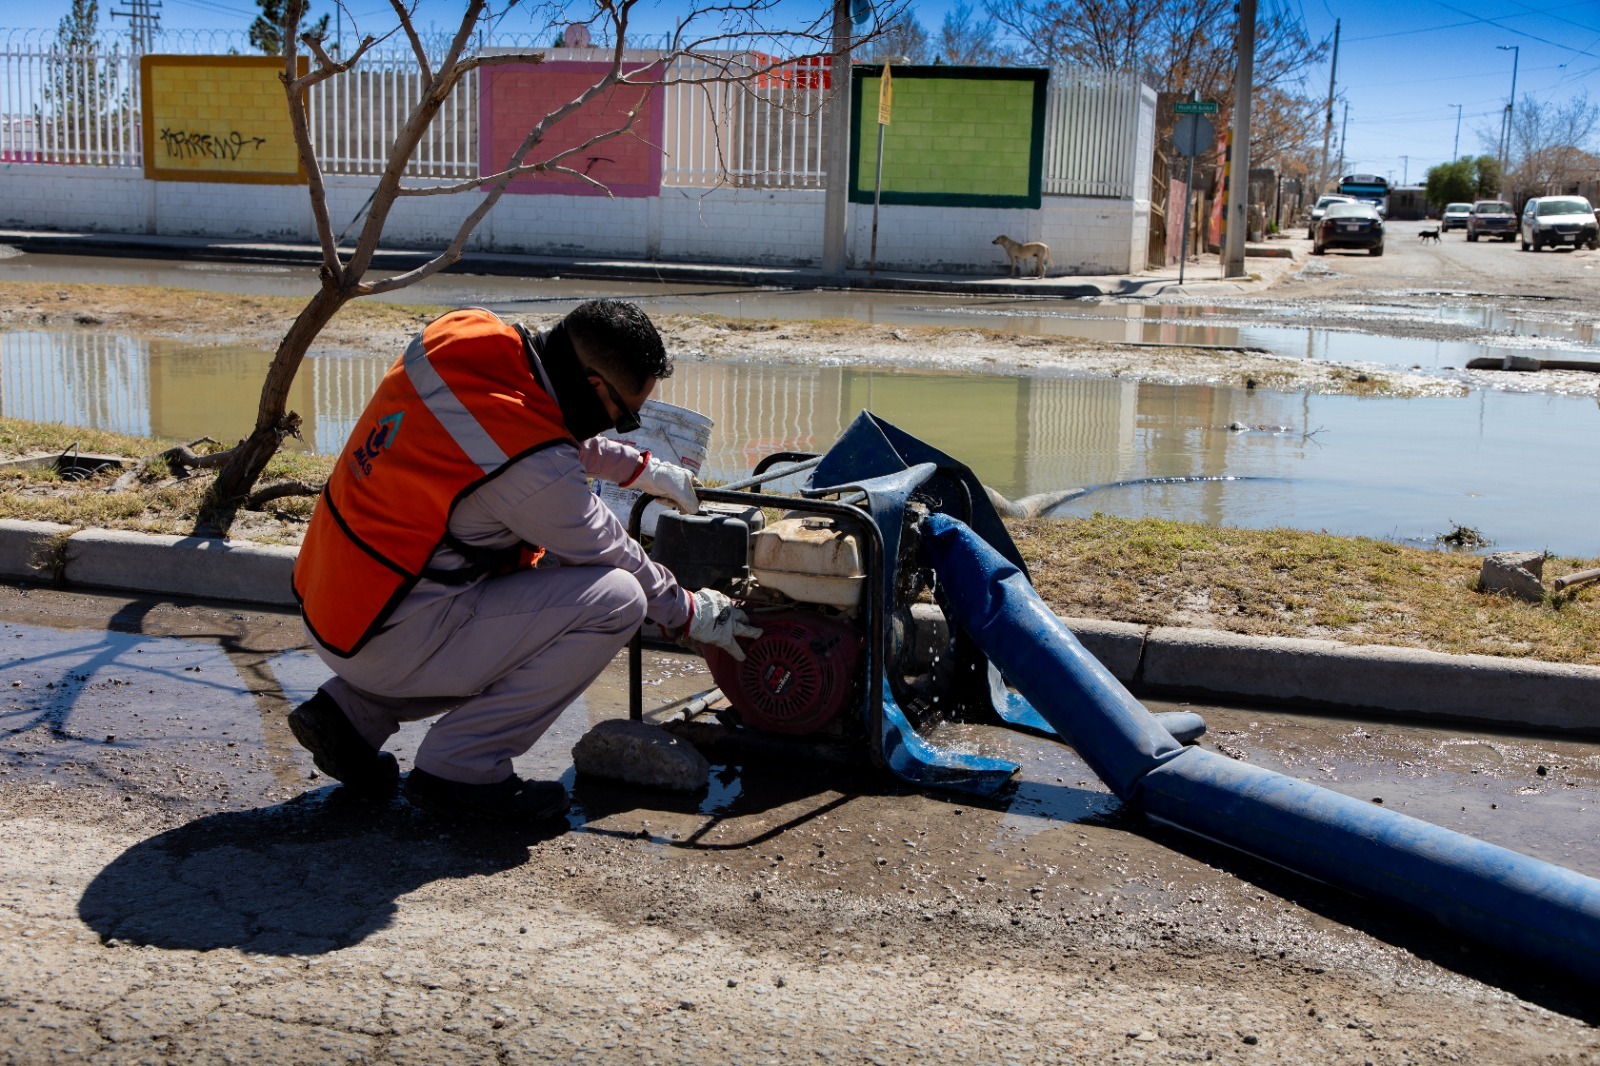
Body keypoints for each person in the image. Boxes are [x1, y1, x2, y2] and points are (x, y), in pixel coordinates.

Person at [287, 299, 758, 826]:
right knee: (617, 599)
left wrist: (643, 469)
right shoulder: (536, 473)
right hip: (385, 632)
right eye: (625, 415)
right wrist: (691, 611)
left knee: (481, 594)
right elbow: (613, 549)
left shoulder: (466, 333)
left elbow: (518, 427)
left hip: (335, 601)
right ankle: (461, 767)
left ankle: (351, 718)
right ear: (594, 385)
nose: (625, 425)